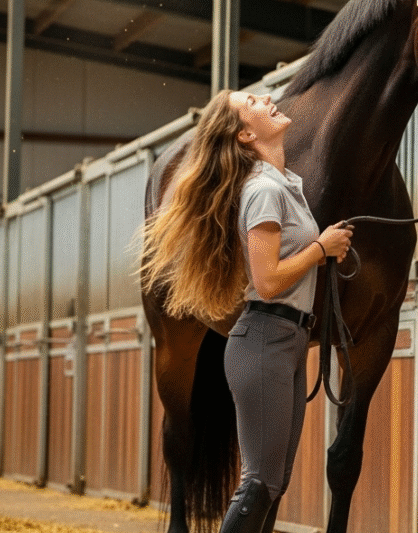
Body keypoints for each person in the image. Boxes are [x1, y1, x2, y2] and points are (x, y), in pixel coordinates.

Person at [140, 89, 353, 533]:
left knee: (273, 485)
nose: (268, 97)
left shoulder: (284, 184)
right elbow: (268, 280)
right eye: (253, 102)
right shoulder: (262, 191)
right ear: (243, 134)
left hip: (288, 342)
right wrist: (320, 248)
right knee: (258, 485)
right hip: (265, 341)